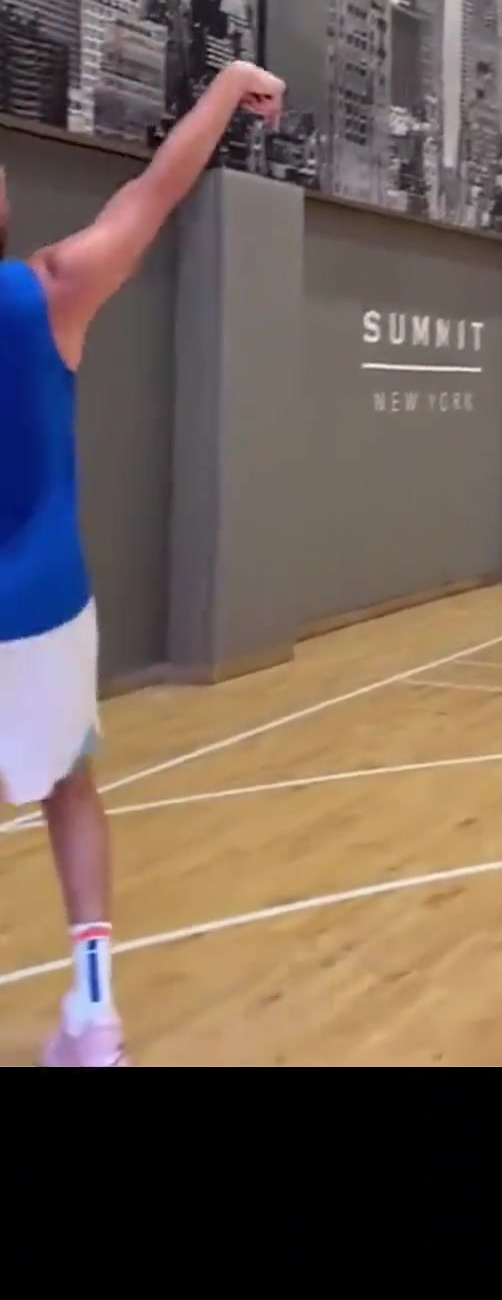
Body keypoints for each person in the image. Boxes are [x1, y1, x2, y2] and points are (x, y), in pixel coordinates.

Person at [0, 59, 285, 1067]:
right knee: (69, 788)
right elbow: (155, 189)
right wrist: (229, 85)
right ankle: (93, 1015)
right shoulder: (52, 289)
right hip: (43, 604)